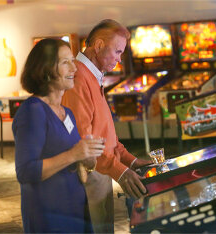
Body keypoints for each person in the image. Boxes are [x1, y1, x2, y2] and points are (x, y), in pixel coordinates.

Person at [62, 19, 152, 233]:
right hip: (88, 174)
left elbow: (104, 133)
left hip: (101, 170)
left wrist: (129, 161)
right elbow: (83, 142)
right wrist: (119, 171)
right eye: (118, 52)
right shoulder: (79, 78)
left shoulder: (92, 76)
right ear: (99, 45)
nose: (119, 60)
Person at [12, 38, 105, 233]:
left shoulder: (66, 113)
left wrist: (87, 158)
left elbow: (71, 158)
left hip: (75, 208)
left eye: (73, 60)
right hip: (49, 215)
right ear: (46, 70)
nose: (74, 68)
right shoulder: (33, 112)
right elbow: (26, 172)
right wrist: (74, 154)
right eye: (65, 62)